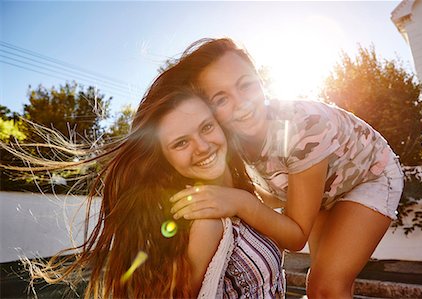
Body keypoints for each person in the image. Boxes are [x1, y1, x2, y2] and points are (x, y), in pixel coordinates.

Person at [5, 70, 284, 297]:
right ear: (166, 160)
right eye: (181, 142)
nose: (201, 146)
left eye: (206, 127)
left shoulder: (243, 191)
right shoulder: (206, 222)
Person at [169, 37, 405, 299]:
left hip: (369, 176)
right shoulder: (224, 138)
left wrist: (240, 202)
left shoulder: (303, 128)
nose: (242, 104)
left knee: (325, 286)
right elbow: (264, 194)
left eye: (245, 85)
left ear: (260, 80)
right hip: (325, 191)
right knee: (327, 280)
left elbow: (295, 238)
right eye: (221, 99)